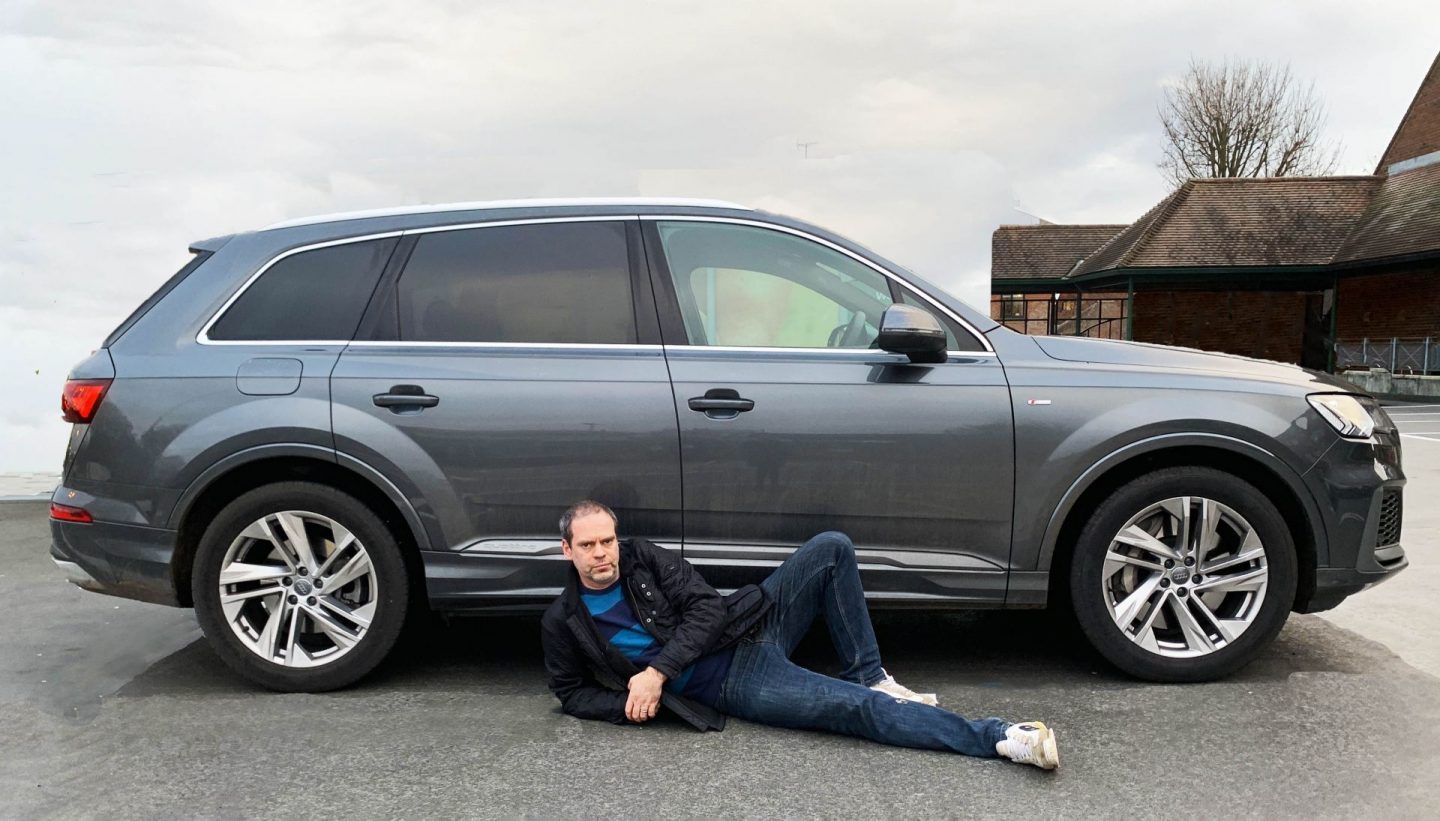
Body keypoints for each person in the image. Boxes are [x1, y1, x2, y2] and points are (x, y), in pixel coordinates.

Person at [540, 500, 1060, 769]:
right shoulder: (563, 621)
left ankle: (871, 673)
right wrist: (636, 703)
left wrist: (655, 672)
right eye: (589, 545)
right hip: (734, 680)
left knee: (831, 547)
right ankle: (997, 737)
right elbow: (570, 693)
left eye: (607, 540)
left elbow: (705, 609)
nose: (603, 552)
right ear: (568, 550)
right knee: (853, 710)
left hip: (748, 623)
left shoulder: (642, 558)